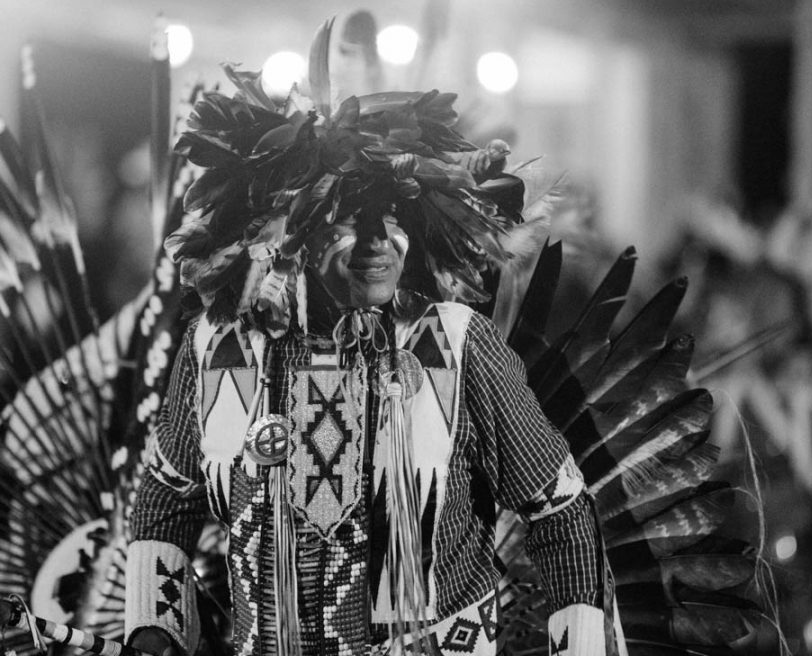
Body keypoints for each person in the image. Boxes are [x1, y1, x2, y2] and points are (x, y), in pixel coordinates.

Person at [124, 77, 621, 656]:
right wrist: (153, 627)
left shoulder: (457, 347)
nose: (375, 242)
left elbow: (560, 511)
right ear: (289, 234)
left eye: (393, 217)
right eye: (343, 218)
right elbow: (166, 494)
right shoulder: (220, 348)